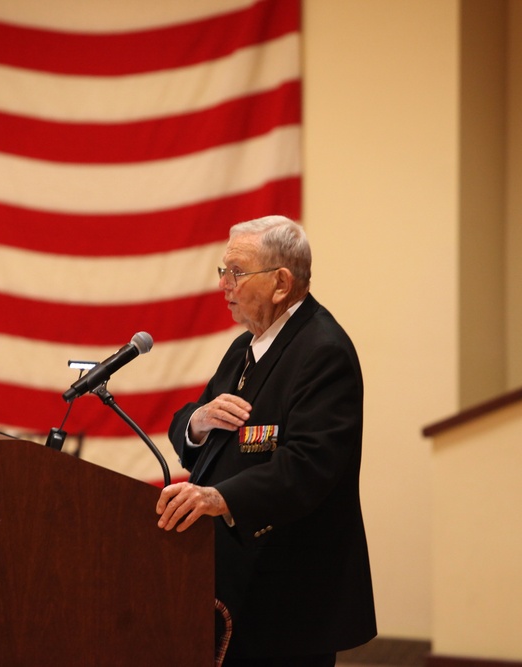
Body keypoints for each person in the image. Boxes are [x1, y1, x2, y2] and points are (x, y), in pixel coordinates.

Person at [156, 215, 377, 666]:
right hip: (237, 584)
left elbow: (309, 466)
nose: (224, 285)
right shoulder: (245, 348)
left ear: (281, 282)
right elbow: (186, 428)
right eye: (223, 272)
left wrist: (218, 496)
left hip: (291, 592)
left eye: (236, 272)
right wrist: (198, 421)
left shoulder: (323, 350)